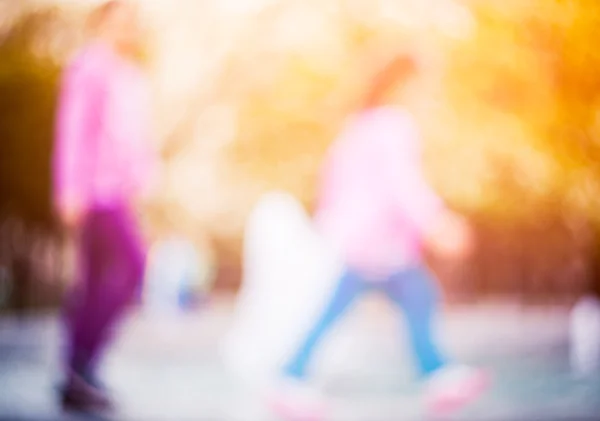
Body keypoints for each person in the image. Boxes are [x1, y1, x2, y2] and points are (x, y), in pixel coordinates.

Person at [270, 53, 490, 418]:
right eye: (423, 85)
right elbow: (403, 185)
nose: (428, 94)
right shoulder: (394, 125)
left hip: (356, 239)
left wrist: (333, 225)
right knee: (416, 296)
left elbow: (332, 181)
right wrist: (436, 222)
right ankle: (439, 375)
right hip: (381, 242)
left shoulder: (359, 125)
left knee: (357, 305)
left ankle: (291, 376)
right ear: (402, 84)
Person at [53, 0, 156, 411]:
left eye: (132, 21)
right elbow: (73, 129)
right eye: (120, 20)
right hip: (94, 193)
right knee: (133, 268)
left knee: (94, 283)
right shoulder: (89, 67)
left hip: (119, 192)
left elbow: (134, 139)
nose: (127, 28)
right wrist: (69, 189)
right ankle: (80, 366)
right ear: (102, 22)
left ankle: (78, 373)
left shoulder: (129, 73)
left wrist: (144, 178)